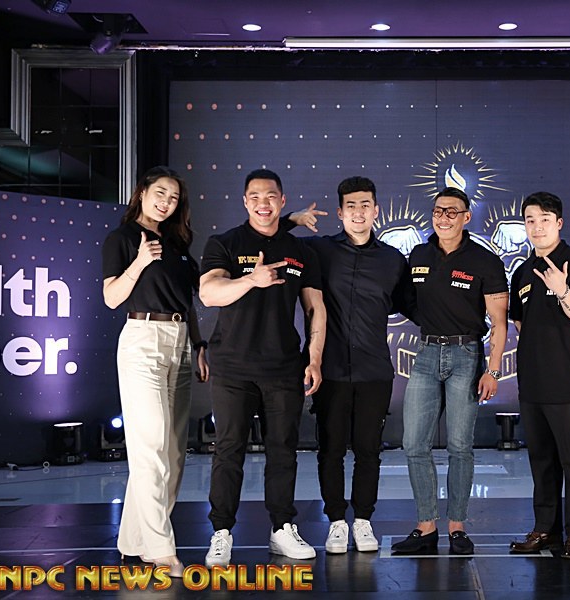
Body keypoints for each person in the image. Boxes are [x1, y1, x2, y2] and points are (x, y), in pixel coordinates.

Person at [199, 168, 326, 565]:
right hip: (232, 366)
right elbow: (209, 293)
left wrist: (314, 358)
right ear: (245, 202)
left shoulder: (301, 251)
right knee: (229, 449)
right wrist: (250, 281)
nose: (263, 203)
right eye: (254, 197)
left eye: (270, 196)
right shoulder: (225, 243)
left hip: (284, 366)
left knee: (283, 450)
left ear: (282, 201)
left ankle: (282, 528)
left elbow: (315, 308)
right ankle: (221, 531)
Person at [283, 176, 416, 554]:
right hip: (330, 369)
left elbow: (414, 306)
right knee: (331, 450)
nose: (359, 213)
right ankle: (337, 521)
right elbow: (268, 236)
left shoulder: (393, 260)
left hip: (375, 370)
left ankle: (363, 521)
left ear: (376, 211)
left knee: (369, 450)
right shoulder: (318, 251)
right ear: (340, 213)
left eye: (365, 205)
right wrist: (292, 219)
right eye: (351, 206)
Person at [102, 166, 209, 577]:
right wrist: (140, 262)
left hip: (180, 345)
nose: (166, 202)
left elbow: (189, 301)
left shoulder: (178, 243)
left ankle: (134, 541)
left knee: (174, 455)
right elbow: (112, 298)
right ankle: (162, 550)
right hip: (142, 341)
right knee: (151, 452)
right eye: (160, 193)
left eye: (174, 197)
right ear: (143, 192)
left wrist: (199, 345)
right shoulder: (123, 238)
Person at [391, 187, 508, 556]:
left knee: (459, 447)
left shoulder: (484, 261)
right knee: (414, 444)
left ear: (466, 217)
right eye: (438, 211)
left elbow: (500, 322)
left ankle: (457, 528)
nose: (444, 218)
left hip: (466, 356)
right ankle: (426, 527)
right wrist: (430, 320)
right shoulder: (419, 254)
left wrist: (492, 370)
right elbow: (406, 300)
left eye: (452, 212)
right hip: (426, 354)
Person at [507, 192, 570, 560]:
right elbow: (519, 322)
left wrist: (562, 291)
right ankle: (545, 529)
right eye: (530, 220)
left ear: (559, 223)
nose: (537, 226)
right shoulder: (521, 272)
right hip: (533, 381)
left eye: (544, 219)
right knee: (541, 461)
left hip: (568, 380)